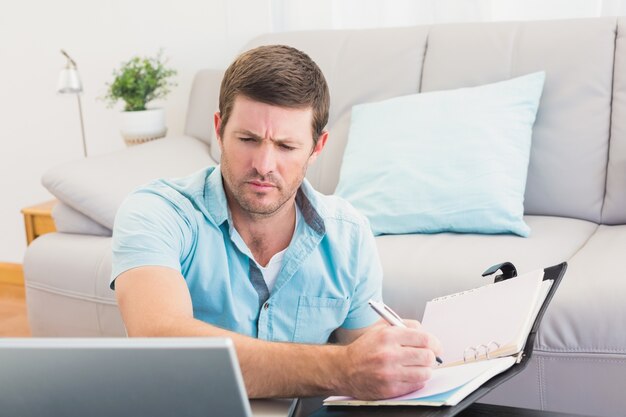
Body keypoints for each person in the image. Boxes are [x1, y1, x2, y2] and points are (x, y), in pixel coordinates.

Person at [111, 44, 441, 400]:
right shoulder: (157, 213)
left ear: (317, 147)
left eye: (286, 146)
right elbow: (159, 342)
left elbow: (363, 350)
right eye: (248, 140)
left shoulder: (348, 234)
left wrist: (399, 356)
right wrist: (341, 368)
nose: (264, 165)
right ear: (219, 129)